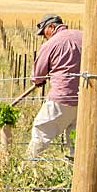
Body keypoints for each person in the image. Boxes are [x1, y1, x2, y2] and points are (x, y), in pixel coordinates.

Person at [26, 13, 82, 159]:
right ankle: (75, 171)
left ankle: (29, 166)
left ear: (51, 27)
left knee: (41, 131)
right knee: (76, 137)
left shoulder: (51, 43)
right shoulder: (84, 36)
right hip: (86, 99)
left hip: (62, 98)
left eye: (44, 32)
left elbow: (38, 75)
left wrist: (38, 82)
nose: (44, 37)